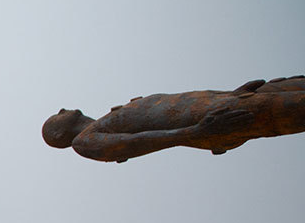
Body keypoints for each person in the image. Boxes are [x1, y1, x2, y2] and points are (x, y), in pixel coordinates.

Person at [42, 75, 305, 162]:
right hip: (220, 119)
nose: (62, 109)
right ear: (57, 134)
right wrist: (198, 131)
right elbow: (140, 142)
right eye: (56, 116)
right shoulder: (85, 142)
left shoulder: (106, 119)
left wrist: (228, 94)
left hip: (227, 103)